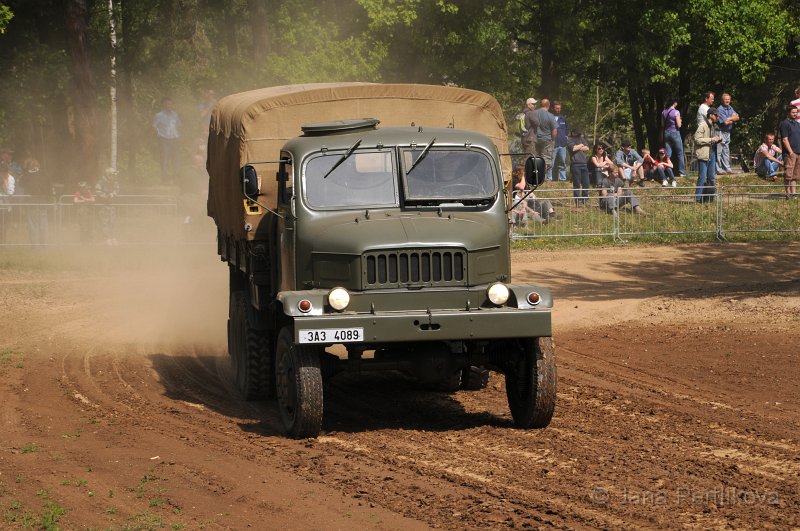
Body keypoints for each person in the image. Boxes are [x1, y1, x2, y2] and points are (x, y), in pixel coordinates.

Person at [21, 158, 51, 247]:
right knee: (43, 224)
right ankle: (44, 244)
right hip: (43, 203)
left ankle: (35, 245)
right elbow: (49, 187)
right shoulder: (44, 174)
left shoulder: (27, 175)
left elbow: (21, 183)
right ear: (38, 166)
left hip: (32, 203)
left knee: (33, 224)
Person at [694, 107, 721, 203]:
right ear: (710, 115)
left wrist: (717, 140)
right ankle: (697, 198)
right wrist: (711, 139)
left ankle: (710, 197)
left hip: (712, 153)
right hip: (704, 154)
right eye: (716, 115)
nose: (718, 117)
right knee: (702, 176)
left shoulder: (714, 126)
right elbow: (697, 139)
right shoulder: (703, 125)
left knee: (711, 177)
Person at [152, 97, 181, 184]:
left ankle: (175, 179)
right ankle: (165, 179)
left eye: (170, 104)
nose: (168, 105)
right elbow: (154, 126)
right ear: (163, 105)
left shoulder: (175, 115)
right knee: (165, 159)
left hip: (174, 139)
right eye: (166, 104)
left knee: (175, 159)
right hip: (164, 139)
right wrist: (158, 134)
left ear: (172, 105)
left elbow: (179, 125)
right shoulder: (158, 115)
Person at [534, 99, 559, 179]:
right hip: (547, 140)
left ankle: (536, 177)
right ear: (548, 105)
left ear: (541, 105)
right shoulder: (550, 116)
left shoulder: (534, 113)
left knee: (536, 157)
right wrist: (553, 139)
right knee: (545, 159)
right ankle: (542, 177)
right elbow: (554, 129)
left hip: (535, 139)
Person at [662, 98, 687, 177]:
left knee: (668, 154)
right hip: (675, 133)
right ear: (674, 103)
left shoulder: (663, 112)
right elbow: (679, 125)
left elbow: (663, 124)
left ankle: (666, 172)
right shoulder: (676, 112)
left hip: (666, 133)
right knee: (680, 153)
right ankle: (682, 172)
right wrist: (680, 120)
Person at [715, 93, 740, 175]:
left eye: (728, 99)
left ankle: (727, 169)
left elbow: (738, 117)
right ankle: (719, 170)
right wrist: (733, 118)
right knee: (719, 151)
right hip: (720, 132)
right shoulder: (720, 109)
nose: (727, 101)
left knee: (726, 151)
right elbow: (725, 122)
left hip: (727, 132)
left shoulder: (730, 108)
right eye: (726, 99)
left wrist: (730, 118)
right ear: (722, 100)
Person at [779, 106, 800, 199]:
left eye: (796, 112)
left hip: (798, 153)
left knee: (795, 175)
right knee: (788, 174)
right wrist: (791, 152)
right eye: (793, 112)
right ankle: (788, 194)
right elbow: (784, 139)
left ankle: (794, 194)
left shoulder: (797, 124)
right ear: (788, 113)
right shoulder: (785, 124)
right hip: (789, 154)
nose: (795, 114)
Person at [95, 167, 120, 245]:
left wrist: (114, 194)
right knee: (104, 222)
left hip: (111, 205)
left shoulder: (114, 182)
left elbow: (117, 189)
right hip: (103, 206)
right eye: (112, 175)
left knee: (112, 221)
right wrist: (107, 196)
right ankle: (106, 238)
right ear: (108, 175)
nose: (114, 177)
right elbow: (97, 191)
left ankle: (113, 237)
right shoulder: (101, 182)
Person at [566, 128, 591, 204]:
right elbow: (573, 148)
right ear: (572, 132)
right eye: (576, 133)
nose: (578, 134)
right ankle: (577, 201)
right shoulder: (569, 139)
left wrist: (578, 147)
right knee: (576, 184)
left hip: (584, 164)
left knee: (586, 183)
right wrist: (581, 145)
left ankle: (585, 200)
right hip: (575, 164)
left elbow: (587, 148)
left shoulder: (581, 138)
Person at [550, 101, 569, 181]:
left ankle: (562, 179)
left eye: (559, 108)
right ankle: (549, 178)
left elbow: (567, 130)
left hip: (562, 144)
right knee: (551, 163)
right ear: (553, 108)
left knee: (562, 163)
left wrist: (565, 138)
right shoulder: (550, 118)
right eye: (557, 108)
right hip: (552, 144)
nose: (558, 110)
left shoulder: (563, 119)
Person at [0, 162, 15, 244]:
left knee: (4, 225)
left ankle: (3, 242)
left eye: (4, 172)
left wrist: (4, 183)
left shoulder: (11, 178)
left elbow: (10, 193)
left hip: (6, 206)